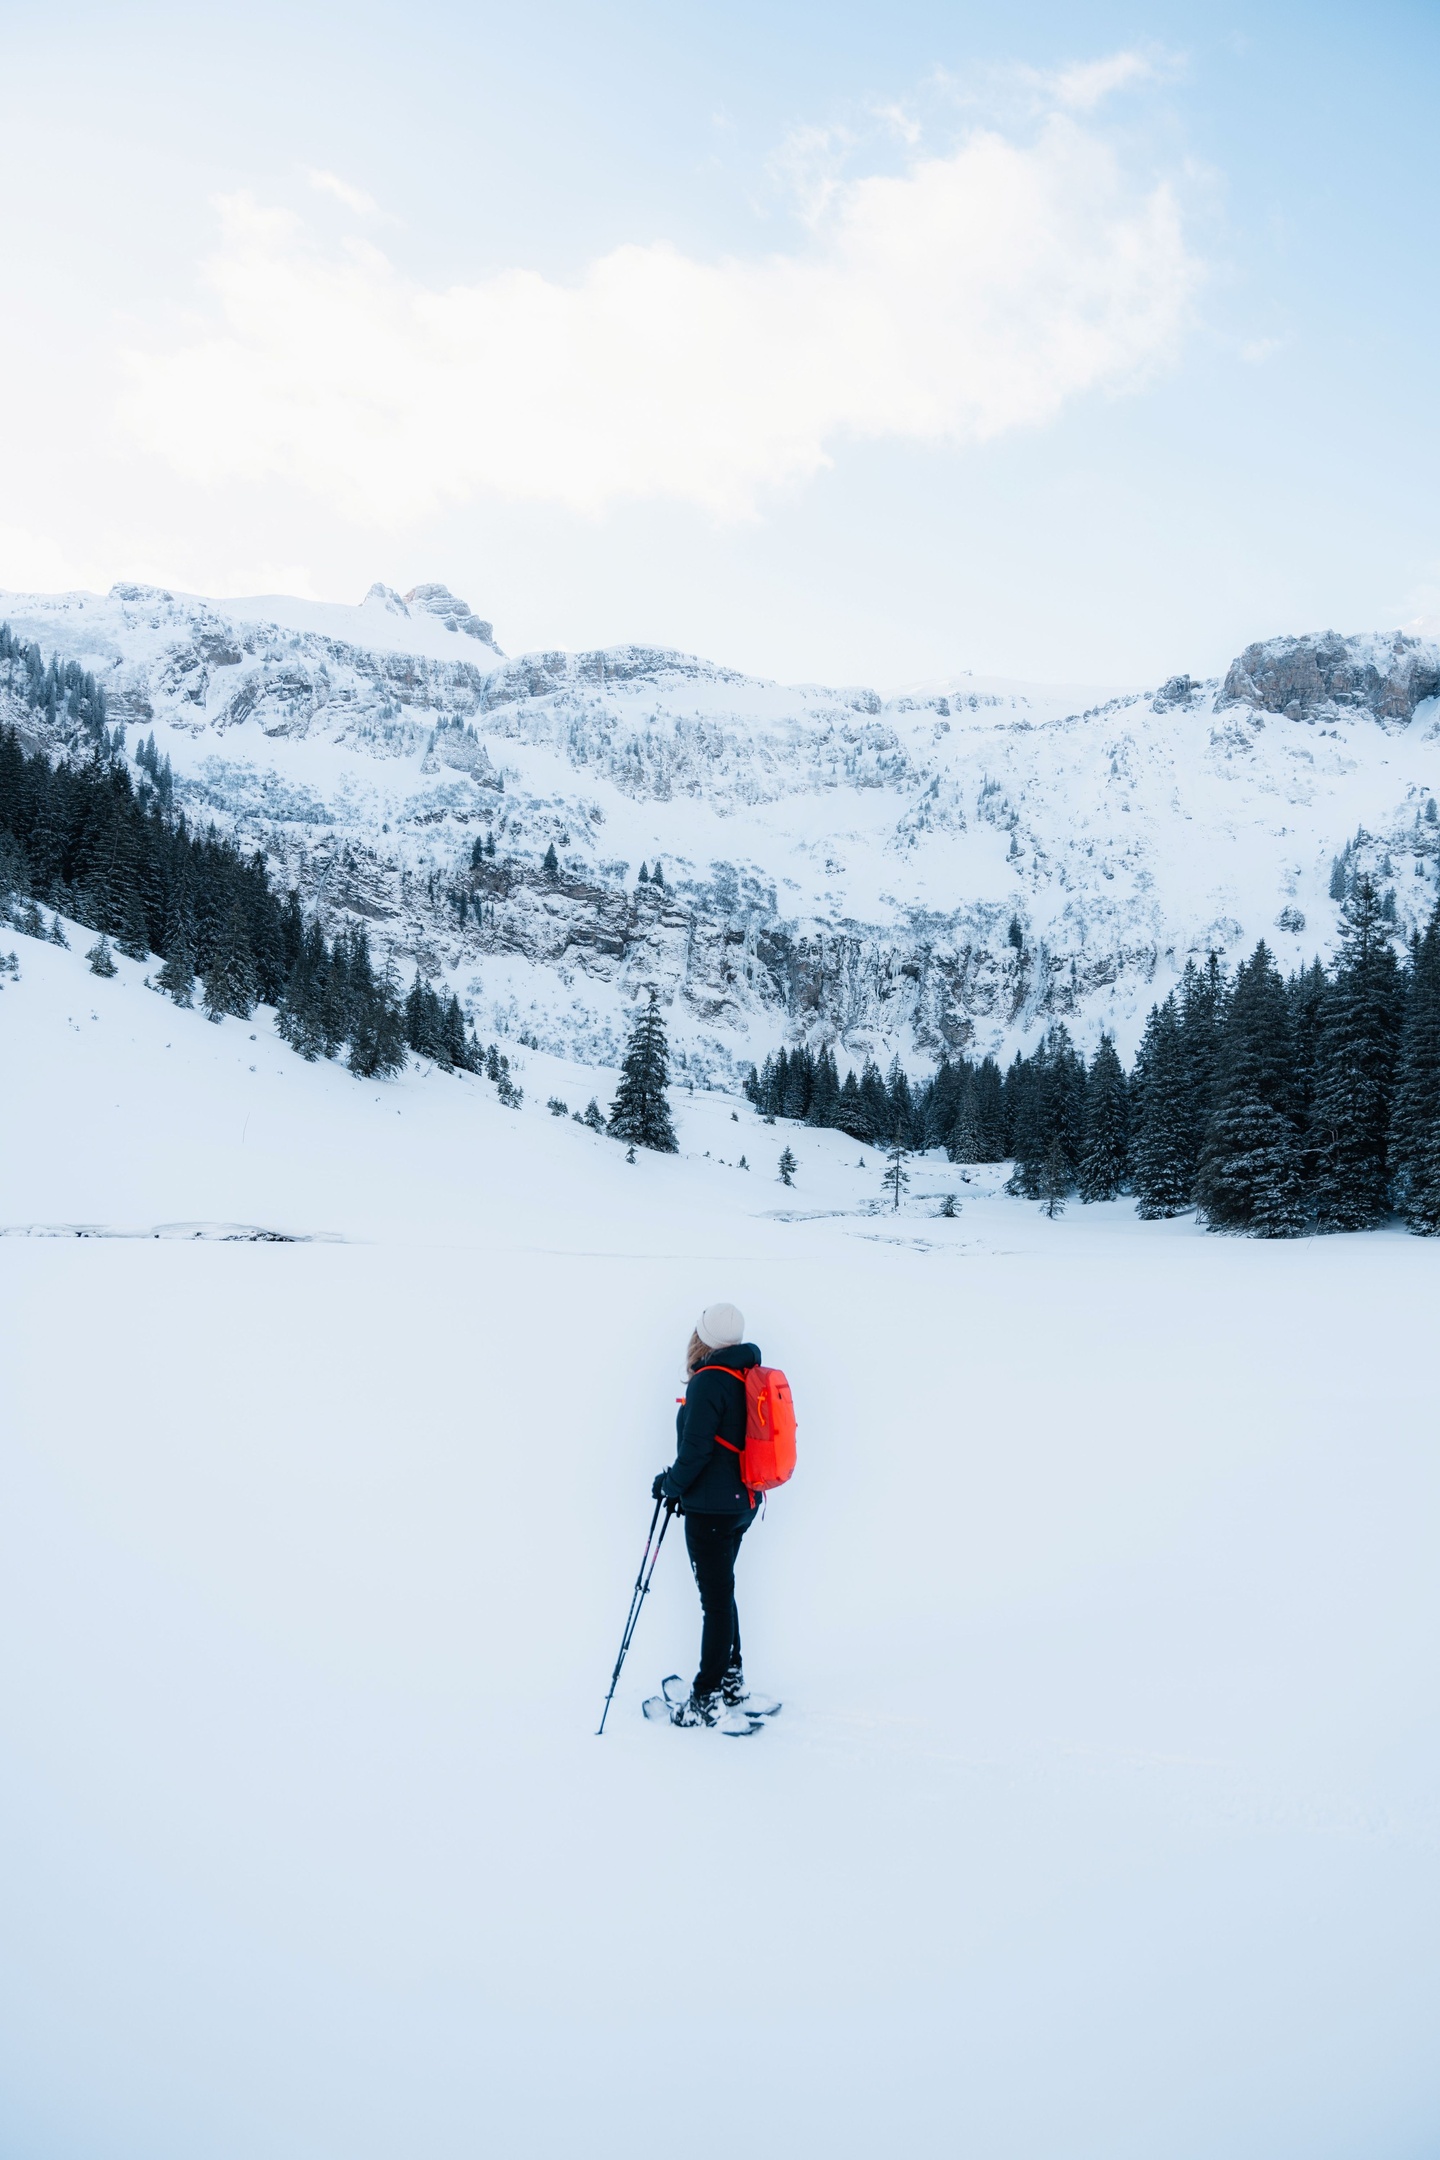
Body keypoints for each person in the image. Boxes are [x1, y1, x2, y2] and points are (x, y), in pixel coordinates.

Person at [652, 1301, 762, 1727]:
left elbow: (695, 1452)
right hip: (741, 1505)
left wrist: (670, 1485)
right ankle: (731, 1681)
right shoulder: (745, 1373)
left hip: (711, 1512)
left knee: (714, 1604)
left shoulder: (708, 1381)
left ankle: (706, 1697)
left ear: (702, 1337)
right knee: (722, 1594)